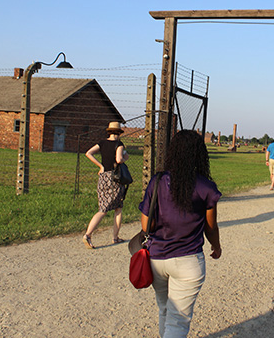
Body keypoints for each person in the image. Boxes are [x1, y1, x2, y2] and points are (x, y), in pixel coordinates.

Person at [139, 130, 222, 338]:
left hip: (157, 258)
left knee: (165, 310)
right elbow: (210, 227)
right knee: (177, 322)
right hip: (188, 261)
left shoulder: (157, 182)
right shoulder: (206, 187)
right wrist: (216, 246)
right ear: (199, 155)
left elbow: (146, 224)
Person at [82, 121, 129, 249]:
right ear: (119, 132)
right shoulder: (119, 144)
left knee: (103, 207)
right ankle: (110, 237)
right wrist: (124, 158)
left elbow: (88, 153)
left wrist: (101, 165)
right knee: (116, 209)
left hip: (103, 177)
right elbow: (119, 159)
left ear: (109, 131)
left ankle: (92, 235)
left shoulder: (102, 143)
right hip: (115, 178)